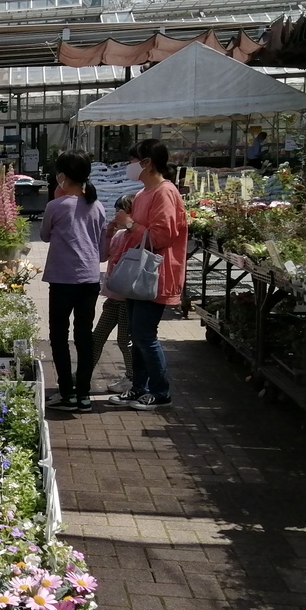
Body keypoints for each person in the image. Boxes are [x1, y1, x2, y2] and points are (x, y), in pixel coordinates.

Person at [108, 138, 189, 411]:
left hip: (154, 274)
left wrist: (130, 224)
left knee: (145, 335)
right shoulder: (143, 194)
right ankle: (139, 387)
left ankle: (160, 391)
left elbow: (162, 237)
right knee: (137, 334)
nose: (129, 165)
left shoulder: (165, 192)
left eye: (133, 160)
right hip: (138, 274)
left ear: (147, 163)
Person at [40, 151, 105, 413]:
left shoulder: (56, 206)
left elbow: (44, 235)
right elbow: (102, 249)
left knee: (59, 335)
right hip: (89, 278)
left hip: (62, 279)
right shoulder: (97, 206)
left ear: (63, 176)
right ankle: (84, 394)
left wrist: (57, 198)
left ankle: (67, 392)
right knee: (84, 336)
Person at [90, 191, 136, 394]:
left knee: (124, 340)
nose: (117, 214)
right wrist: (108, 234)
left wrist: (130, 226)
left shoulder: (136, 236)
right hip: (113, 297)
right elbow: (103, 256)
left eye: (121, 211)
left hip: (127, 298)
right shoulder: (118, 236)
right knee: (97, 337)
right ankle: (84, 373)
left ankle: (132, 378)